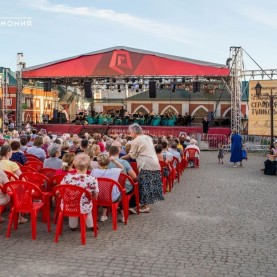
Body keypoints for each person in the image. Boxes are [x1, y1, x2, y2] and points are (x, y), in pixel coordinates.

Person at [121, 123, 164, 213]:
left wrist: (120, 158)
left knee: (144, 185)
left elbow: (132, 155)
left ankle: (145, 207)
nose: (130, 134)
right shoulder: (148, 137)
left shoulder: (136, 140)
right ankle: (145, 204)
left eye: (130, 132)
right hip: (155, 163)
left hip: (146, 164)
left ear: (134, 131)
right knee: (149, 184)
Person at [60, 153, 99, 231]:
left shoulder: (67, 177)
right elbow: (95, 195)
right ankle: (90, 225)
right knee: (88, 205)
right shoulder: (92, 179)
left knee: (72, 201)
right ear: (88, 165)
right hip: (84, 206)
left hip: (68, 206)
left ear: (74, 164)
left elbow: (61, 189)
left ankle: (73, 226)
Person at [90, 153, 124, 222]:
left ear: (98, 162)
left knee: (106, 192)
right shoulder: (114, 171)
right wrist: (114, 161)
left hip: (98, 197)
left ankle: (103, 215)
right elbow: (122, 168)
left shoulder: (94, 171)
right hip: (112, 197)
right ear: (108, 162)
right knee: (120, 193)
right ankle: (123, 216)